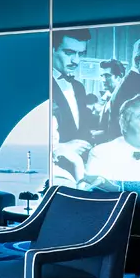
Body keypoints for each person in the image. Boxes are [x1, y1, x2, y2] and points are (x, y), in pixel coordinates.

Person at [50, 30, 97, 179]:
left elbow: (82, 127)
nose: (76, 61)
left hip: (78, 170)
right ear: (52, 49)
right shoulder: (38, 85)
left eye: (80, 54)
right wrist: (60, 147)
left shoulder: (78, 87)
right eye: (69, 53)